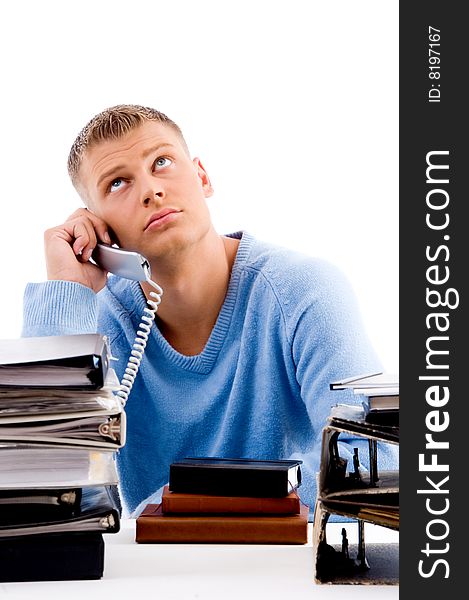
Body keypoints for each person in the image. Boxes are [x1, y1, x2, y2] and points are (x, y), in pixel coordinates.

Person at [22, 104, 398, 517]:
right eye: (117, 183)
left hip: (286, 570)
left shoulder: (304, 291)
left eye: (161, 162)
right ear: (99, 227)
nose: (150, 190)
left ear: (202, 177)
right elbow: (36, 485)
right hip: (158, 575)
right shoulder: (101, 321)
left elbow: (374, 461)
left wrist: (179, 510)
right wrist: (67, 290)